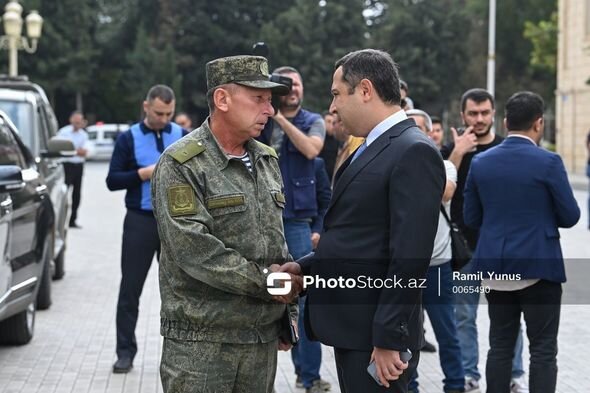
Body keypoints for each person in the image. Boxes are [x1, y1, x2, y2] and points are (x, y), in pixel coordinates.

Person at [281, 49, 445, 393]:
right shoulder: (372, 146)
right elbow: (359, 237)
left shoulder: (412, 150)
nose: (333, 107)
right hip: (356, 328)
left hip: (376, 336)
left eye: (337, 94)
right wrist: (304, 268)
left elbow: (410, 255)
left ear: (366, 90)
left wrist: (388, 337)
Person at [151, 55, 301, 393]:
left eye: (270, 100)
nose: (270, 110)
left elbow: (275, 240)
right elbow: (194, 249)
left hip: (259, 339)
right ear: (222, 99)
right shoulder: (182, 163)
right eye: (259, 98)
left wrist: (286, 317)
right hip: (202, 343)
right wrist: (268, 283)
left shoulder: (266, 159)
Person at [464, 91, 580, 393]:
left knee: (499, 346)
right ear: (539, 123)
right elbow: (570, 216)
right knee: (542, 349)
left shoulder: (480, 162)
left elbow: (471, 217)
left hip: (496, 268)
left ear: (504, 121)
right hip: (538, 266)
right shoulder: (549, 162)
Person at [441, 88, 527, 392]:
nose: (479, 119)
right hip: (464, 252)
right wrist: (459, 152)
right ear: (463, 115)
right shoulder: (453, 151)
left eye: (484, 113)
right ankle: (468, 374)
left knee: (508, 316)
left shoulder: (506, 149)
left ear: (495, 115)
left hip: (501, 250)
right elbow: (440, 189)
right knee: (464, 316)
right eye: (473, 113)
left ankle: (514, 375)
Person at [257, 65, 330, 393]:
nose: (292, 90)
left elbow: (313, 149)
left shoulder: (312, 120)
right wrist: (268, 113)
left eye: (296, 84)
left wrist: (281, 119)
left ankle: (309, 376)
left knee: (306, 298)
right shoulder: (259, 120)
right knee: (265, 292)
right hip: (262, 219)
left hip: (298, 222)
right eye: (285, 85)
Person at [106, 85, 186, 374]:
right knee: (130, 290)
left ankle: (181, 352)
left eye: (169, 113)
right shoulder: (128, 138)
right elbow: (112, 180)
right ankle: (124, 353)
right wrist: (142, 174)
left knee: (180, 291)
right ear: (146, 107)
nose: (164, 118)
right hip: (139, 220)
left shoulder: (182, 136)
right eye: (158, 113)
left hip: (175, 222)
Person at [406, 109, 465, 393]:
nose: (413, 134)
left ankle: (455, 384)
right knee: (408, 336)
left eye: (418, 128)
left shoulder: (445, 166)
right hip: (405, 267)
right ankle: (411, 386)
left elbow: (445, 192)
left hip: (438, 266)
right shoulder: (396, 165)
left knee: (447, 332)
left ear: (430, 134)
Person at [57, 110, 89, 228]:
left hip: (78, 167)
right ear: (71, 120)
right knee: (63, 193)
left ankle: (72, 220)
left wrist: (73, 151)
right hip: (66, 166)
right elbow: (61, 150)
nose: (77, 124)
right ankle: (60, 219)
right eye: (75, 122)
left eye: (79, 122)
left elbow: (85, 152)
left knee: (76, 195)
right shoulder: (63, 133)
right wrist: (76, 151)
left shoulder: (83, 135)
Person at [319, 111, 341, 179]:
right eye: (328, 121)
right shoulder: (317, 139)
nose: (331, 125)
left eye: (333, 122)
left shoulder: (339, 140)